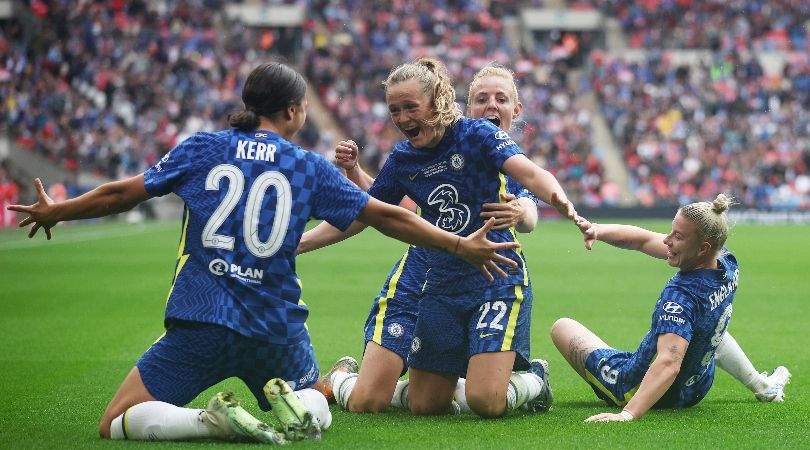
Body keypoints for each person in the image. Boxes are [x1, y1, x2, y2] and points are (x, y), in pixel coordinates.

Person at [7, 61, 520, 443]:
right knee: (315, 407)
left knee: (116, 422)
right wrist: (458, 243)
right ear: (294, 111)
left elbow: (122, 192)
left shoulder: (201, 148)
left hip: (200, 320)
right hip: (276, 328)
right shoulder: (306, 167)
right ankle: (301, 400)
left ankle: (209, 425)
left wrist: (59, 210)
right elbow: (384, 214)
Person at [299, 58, 577, 418]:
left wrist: (559, 202)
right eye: (394, 110)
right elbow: (368, 211)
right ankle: (353, 380)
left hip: (494, 272)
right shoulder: (404, 158)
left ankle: (531, 380)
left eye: (410, 107)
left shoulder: (479, 138)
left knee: (485, 401)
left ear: (437, 102)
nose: (401, 118)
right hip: (435, 277)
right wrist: (299, 243)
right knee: (422, 404)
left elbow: (532, 182)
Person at [552, 194, 788, 423]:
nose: (667, 240)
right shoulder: (727, 263)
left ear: (702, 248)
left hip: (644, 390)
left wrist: (628, 413)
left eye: (678, 236)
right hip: (696, 386)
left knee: (562, 327)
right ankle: (762, 386)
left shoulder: (679, 298)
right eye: (671, 232)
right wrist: (598, 230)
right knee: (708, 325)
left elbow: (669, 363)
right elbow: (642, 240)